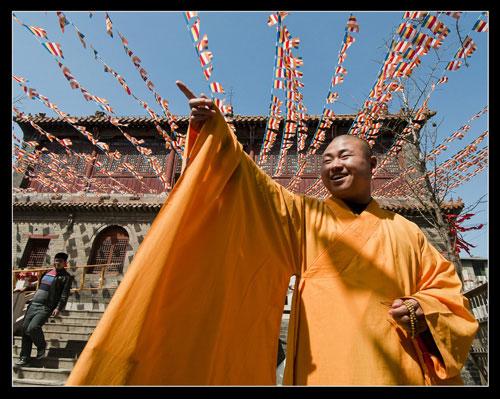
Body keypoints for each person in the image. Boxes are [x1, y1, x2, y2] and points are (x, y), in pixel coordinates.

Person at [66, 82, 478, 386]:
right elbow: (253, 190)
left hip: (401, 365)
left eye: (345, 156)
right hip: (327, 367)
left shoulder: (408, 232)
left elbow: (446, 291)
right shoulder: (304, 216)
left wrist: (424, 311)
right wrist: (217, 137)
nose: (334, 165)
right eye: (327, 159)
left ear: (371, 164)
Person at [15, 252, 73, 367]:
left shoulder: (66, 277)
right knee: (25, 330)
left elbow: (64, 295)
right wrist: (26, 287)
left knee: (33, 327)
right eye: (56, 261)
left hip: (46, 307)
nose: (57, 263)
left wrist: (58, 308)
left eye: (60, 261)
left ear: (65, 263)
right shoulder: (47, 272)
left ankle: (41, 345)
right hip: (33, 304)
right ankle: (24, 358)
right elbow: (40, 285)